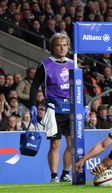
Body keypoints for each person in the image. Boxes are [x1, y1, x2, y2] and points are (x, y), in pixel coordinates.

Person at [29, 33, 80, 183]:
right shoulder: (45, 65)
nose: (62, 48)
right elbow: (34, 86)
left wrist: (82, 105)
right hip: (53, 109)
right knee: (55, 143)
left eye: (64, 45)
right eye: (59, 45)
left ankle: (65, 173)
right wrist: (33, 105)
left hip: (71, 108)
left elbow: (79, 86)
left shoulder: (73, 63)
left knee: (72, 144)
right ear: (53, 47)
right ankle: (54, 176)